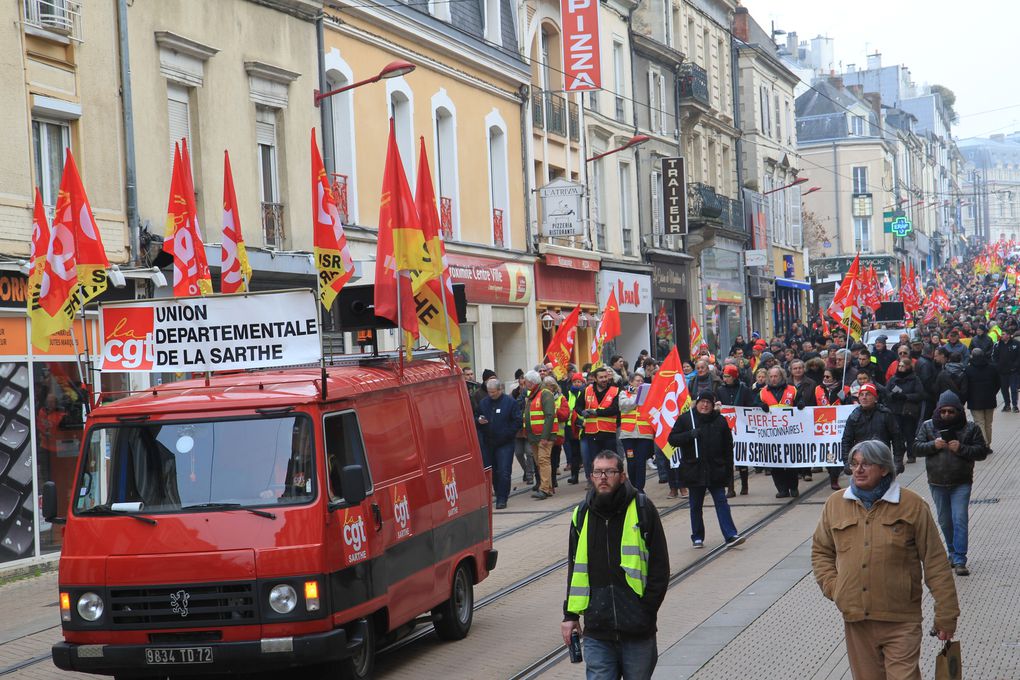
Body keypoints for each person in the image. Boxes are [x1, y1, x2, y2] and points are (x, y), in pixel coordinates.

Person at [811, 440, 959, 680]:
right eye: (854, 463)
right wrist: (835, 588)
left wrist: (946, 614)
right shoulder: (835, 504)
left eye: (866, 464)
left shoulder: (912, 505)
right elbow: (820, 551)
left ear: (885, 469)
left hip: (901, 620)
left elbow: (935, 562)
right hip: (857, 620)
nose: (858, 470)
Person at [562, 451, 669, 680]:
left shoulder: (642, 509)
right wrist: (570, 616)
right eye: (598, 472)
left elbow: (660, 567)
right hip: (597, 630)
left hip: (637, 630)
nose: (603, 477)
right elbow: (575, 569)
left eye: (610, 472)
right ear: (591, 476)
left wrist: (646, 610)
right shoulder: (581, 515)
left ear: (622, 476)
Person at [914, 390, 991, 576]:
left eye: (951, 412)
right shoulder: (928, 427)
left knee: (960, 519)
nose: (947, 415)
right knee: (945, 520)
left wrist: (961, 448)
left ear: (958, 411)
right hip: (937, 482)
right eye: (943, 411)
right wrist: (933, 445)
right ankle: (952, 552)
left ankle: (960, 559)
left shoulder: (970, 428)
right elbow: (916, 448)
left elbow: (982, 451)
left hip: (961, 482)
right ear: (938, 411)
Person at [668, 392, 745, 548]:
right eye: (702, 402)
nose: (705, 405)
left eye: (708, 402)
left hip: (715, 470)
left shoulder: (720, 421)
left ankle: (730, 534)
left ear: (712, 404)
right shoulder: (686, 419)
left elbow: (728, 448)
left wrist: (729, 473)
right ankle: (697, 536)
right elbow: (672, 439)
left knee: (721, 502)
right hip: (694, 470)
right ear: (697, 403)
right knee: (695, 505)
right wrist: (689, 435)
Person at [755, 366, 803, 498]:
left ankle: (793, 487)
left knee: (791, 463)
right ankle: (782, 489)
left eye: (776, 376)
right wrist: (760, 406)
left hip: (790, 434)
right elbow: (754, 405)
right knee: (775, 464)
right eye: (770, 376)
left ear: (781, 376)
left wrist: (800, 404)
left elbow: (801, 401)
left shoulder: (792, 390)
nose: (773, 379)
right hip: (771, 436)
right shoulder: (762, 392)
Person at [477, 378, 523, 509]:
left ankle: (502, 498)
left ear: (500, 390)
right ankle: (498, 491)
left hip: (505, 443)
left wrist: (508, 434)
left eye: (493, 392)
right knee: (493, 471)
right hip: (488, 442)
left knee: (503, 470)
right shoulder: (484, 403)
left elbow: (517, 421)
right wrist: (479, 420)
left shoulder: (510, 403)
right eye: (489, 392)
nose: (491, 395)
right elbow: (476, 416)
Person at [840, 383, 905, 474]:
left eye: (868, 394)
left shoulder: (885, 414)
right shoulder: (854, 417)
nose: (864, 397)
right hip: (861, 462)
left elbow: (897, 438)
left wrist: (897, 461)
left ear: (875, 398)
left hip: (881, 461)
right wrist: (847, 463)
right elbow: (846, 440)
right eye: (861, 395)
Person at [575, 367, 621, 481]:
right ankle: (596, 482)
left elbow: (615, 409)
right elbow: (578, 406)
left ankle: (614, 481)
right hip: (592, 433)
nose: (604, 379)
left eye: (606, 377)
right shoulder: (587, 390)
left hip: (608, 433)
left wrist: (597, 413)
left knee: (611, 460)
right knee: (595, 461)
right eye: (601, 377)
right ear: (595, 379)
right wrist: (582, 412)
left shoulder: (615, 390)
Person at [716, 364, 751, 497]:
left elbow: (750, 406)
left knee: (741, 456)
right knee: (727, 459)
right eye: (724, 376)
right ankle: (730, 487)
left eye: (728, 376)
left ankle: (744, 484)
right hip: (726, 428)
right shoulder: (720, 390)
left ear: (734, 376)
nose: (725, 379)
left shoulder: (744, 389)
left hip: (741, 427)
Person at [524, 370, 557, 500]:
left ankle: (544, 489)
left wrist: (544, 436)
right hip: (534, 436)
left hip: (544, 436)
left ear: (531, 383)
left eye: (526, 382)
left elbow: (549, 415)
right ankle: (547, 488)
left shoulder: (545, 394)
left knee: (543, 461)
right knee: (539, 462)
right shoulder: (533, 394)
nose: (525, 384)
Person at [885, 358, 925, 464]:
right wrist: (892, 395)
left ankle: (911, 455)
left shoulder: (915, 379)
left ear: (908, 367)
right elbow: (886, 391)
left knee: (909, 434)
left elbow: (919, 394)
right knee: (898, 435)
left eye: (903, 366)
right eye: (899, 366)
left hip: (908, 412)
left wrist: (905, 396)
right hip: (895, 411)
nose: (900, 368)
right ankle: (899, 456)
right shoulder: (893, 379)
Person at [619, 374, 654, 491]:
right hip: (628, 435)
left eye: (642, 381)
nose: (640, 383)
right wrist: (638, 396)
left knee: (640, 463)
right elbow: (625, 406)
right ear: (631, 382)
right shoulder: (624, 393)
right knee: (631, 462)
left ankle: (640, 488)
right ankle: (633, 487)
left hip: (644, 434)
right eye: (637, 381)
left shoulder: (649, 395)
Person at [963, 347, 999, 446]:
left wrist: (965, 398)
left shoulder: (968, 370)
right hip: (990, 399)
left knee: (979, 423)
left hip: (975, 401)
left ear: (972, 356)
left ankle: (984, 445)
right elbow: (998, 383)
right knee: (988, 424)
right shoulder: (992, 368)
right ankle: (988, 443)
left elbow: (966, 387)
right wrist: (992, 393)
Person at [511, 370, 536, 486]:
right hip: (517, 429)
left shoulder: (531, 392)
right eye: (521, 379)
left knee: (529, 452)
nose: (522, 381)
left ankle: (530, 475)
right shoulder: (513, 393)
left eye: (524, 379)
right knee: (519, 453)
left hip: (528, 427)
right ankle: (526, 470)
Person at [993, 326, 1020, 412]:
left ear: (1008, 335)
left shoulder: (1016, 344)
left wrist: (1015, 365)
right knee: (1004, 389)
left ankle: (1015, 405)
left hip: (1013, 371)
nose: (1001, 335)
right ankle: (1007, 404)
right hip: (1002, 372)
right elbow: (994, 357)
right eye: (1002, 334)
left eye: (1003, 334)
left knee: (1013, 389)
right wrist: (997, 366)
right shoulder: (997, 345)